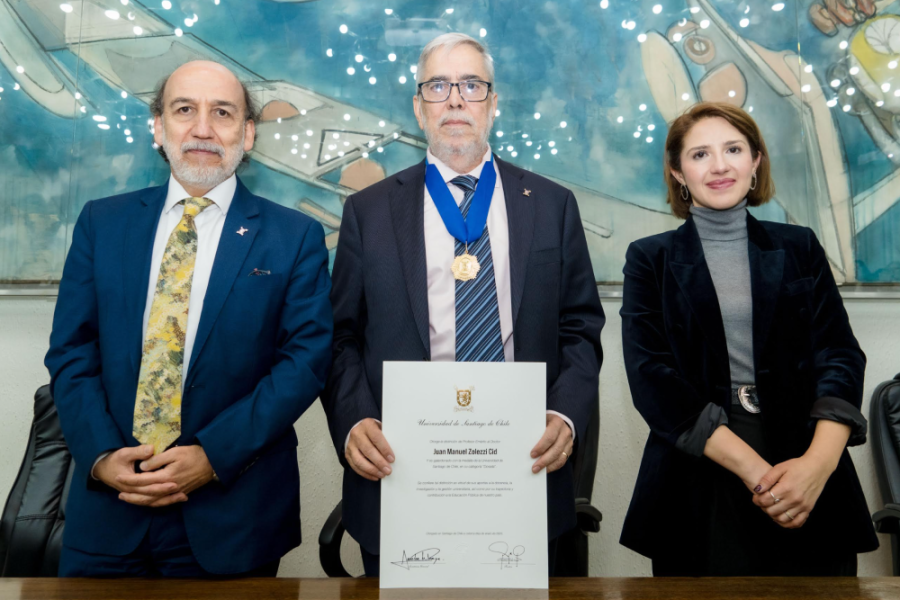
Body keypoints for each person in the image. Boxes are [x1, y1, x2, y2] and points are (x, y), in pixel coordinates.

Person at [322, 33, 604, 576]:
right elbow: (340, 335)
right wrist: (354, 420)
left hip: (523, 468)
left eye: (472, 85)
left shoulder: (552, 204)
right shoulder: (368, 211)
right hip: (402, 472)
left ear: (494, 103)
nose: (455, 99)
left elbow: (581, 327)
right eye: (438, 86)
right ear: (418, 106)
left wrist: (566, 415)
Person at [44, 60, 332, 577]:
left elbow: (304, 363)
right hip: (108, 513)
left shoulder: (294, 237)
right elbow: (71, 351)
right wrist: (102, 456)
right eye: (184, 110)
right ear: (158, 127)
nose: (202, 128)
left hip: (233, 515)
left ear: (247, 134)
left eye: (222, 112)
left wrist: (213, 455)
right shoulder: (101, 223)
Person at [618, 101, 878, 576]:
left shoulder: (799, 245)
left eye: (733, 149)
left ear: (756, 160)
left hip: (807, 470)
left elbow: (839, 355)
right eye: (700, 154)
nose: (719, 166)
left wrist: (817, 466)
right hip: (702, 473)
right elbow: (651, 376)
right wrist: (759, 477)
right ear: (677, 172)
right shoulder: (649, 258)